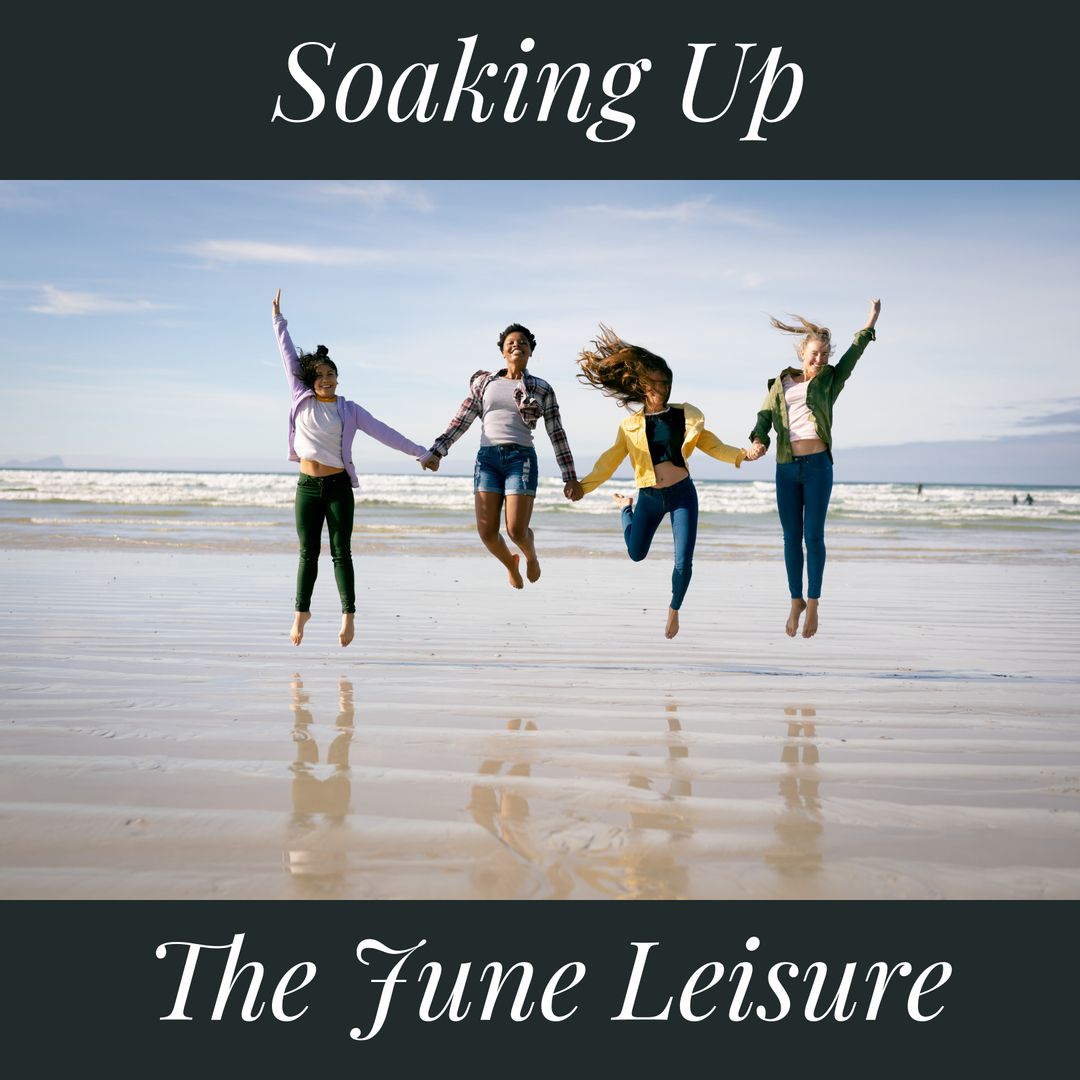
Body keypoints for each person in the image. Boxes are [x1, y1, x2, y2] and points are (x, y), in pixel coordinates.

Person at [273, 289, 430, 647]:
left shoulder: (350, 409)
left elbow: (386, 433)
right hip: (307, 488)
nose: (327, 379)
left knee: (341, 552)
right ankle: (301, 613)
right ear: (309, 380)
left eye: (332, 374)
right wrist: (278, 320)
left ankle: (348, 615)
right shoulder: (301, 398)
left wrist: (421, 453)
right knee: (307, 553)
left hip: (338, 489)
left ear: (338, 377)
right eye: (320, 375)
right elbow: (287, 356)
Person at [574, 325, 748, 639]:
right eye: (654, 383)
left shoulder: (685, 416)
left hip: (683, 495)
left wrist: (741, 455)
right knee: (636, 554)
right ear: (641, 384)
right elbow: (610, 460)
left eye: (665, 383)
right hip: (649, 497)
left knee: (683, 562)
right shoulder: (630, 425)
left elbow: (713, 445)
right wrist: (583, 486)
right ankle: (625, 508)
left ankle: (674, 609)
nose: (660, 389)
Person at [745, 298, 881, 638]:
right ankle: (796, 600)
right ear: (802, 353)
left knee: (813, 536)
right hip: (786, 468)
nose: (819, 359)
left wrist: (870, 323)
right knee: (791, 538)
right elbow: (763, 417)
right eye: (814, 354)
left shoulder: (830, 380)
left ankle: (814, 602)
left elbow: (854, 355)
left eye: (824, 355)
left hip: (818, 466)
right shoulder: (779, 384)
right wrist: (759, 440)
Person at [423, 323, 583, 588]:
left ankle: (531, 555)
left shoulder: (542, 388)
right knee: (486, 532)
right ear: (503, 351)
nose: (517, 345)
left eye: (523, 342)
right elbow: (461, 420)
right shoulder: (485, 383)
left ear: (530, 351)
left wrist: (570, 477)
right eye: (511, 342)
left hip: (521, 459)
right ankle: (511, 563)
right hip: (487, 460)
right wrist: (437, 451)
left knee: (516, 530)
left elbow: (556, 432)